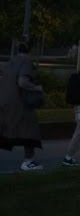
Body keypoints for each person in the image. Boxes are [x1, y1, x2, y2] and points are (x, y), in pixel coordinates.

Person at [0, 43, 45, 172]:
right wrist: (36, 88)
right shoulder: (26, 61)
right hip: (19, 102)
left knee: (5, 130)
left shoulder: (11, 61)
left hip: (4, 101)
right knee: (31, 131)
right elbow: (22, 82)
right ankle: (28, 161)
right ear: (31, 50)